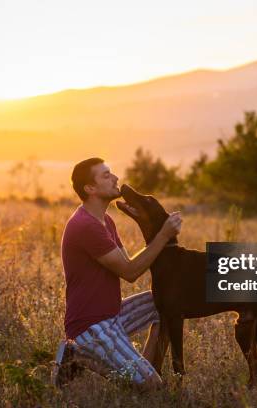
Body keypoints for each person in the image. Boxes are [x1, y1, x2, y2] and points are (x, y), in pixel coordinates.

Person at [51, 157, 181, 389]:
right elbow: (130, 272)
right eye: (106, 175)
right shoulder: (85, 226)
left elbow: (128, 263)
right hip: (91, 326)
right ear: (90, 188)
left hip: (112, 314)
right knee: (152, 388)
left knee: (169, 304)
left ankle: (147, 370)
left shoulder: (105, 221)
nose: (115, 178)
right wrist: (163, 235)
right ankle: (77, 355)